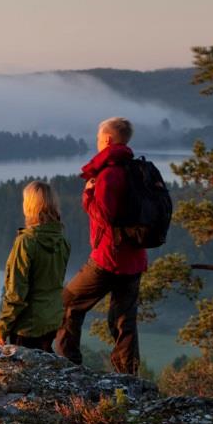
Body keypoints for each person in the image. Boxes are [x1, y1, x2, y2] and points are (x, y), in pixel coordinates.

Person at [55, 116, 147, 373]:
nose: (96, 142)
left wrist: (88, 195)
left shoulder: (109, 173)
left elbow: (105, 216)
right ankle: (128, 377)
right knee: (124, 321)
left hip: (108, 258)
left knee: (68, 304)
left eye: (97, 139)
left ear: (106, 140)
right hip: (135, 258)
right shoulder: (136, 170)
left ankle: (68, 366)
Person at [0, 180, 70, 350]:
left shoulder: (26, 242)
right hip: (52, 320)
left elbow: (16, 291)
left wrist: (3, 326)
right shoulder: (62, 240)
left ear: (30, 206)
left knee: (24, 372)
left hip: (27, 326)